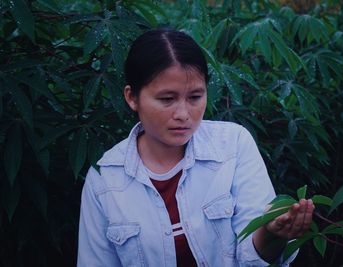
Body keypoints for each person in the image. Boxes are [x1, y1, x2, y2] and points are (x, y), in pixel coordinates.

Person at [77, 28, 314, 267]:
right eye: (167, 99)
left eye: (195, 97)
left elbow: (253, 257)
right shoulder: (104, 180)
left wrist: (271, 234)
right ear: (132, 97)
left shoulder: (233, 145)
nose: (183, 114)